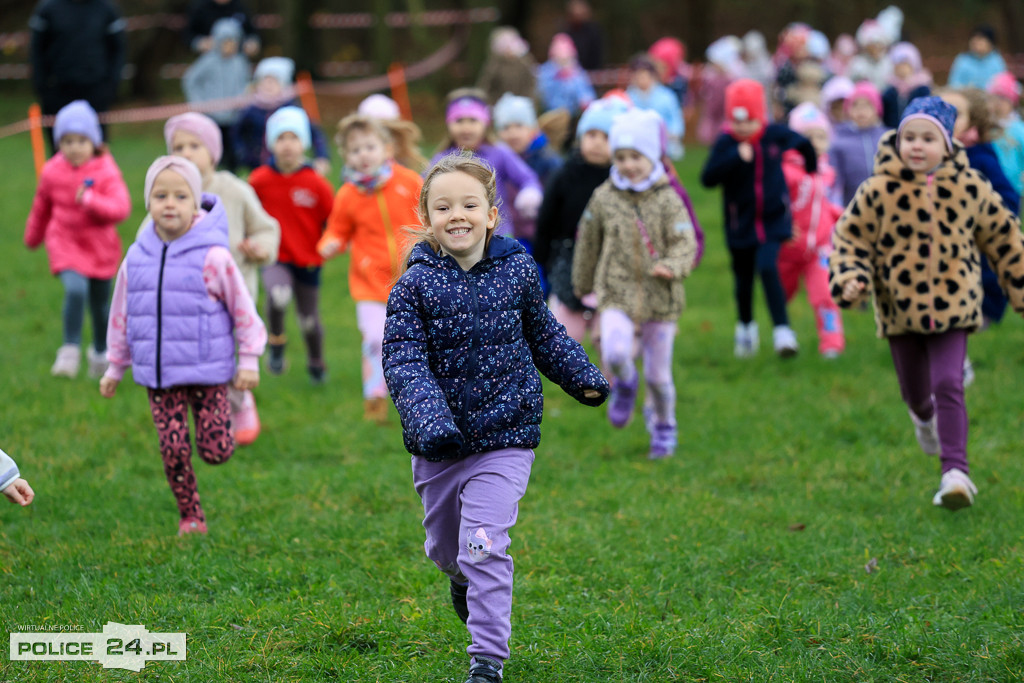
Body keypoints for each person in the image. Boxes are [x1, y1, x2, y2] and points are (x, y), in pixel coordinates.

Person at [382, 154, 609, 683]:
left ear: (490, 215)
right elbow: (404, 359)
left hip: (506, 438)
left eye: (468, 205)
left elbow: (544, 333)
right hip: (439, 446)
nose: (456, 215)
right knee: (448, 549)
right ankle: (459, 578)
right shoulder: (413, 287)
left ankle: (487, 660)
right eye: (443, 207)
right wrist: (429, 419)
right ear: (427, 217)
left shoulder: (517, 270)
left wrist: (580, 375)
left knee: (483, 546)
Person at [829, 96, 1024, 510]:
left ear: (947, 145)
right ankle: (922, 418)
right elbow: (849, 238)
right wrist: (850, 278)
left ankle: (955, 473)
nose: (917, 146)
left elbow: (1004, 236)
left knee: (949, 383)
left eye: (928, 139)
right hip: (900, 312)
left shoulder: (969, 187)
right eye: (910, 137)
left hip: (955, 306)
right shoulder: (878, 190)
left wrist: (1018, 286)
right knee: (917, 393)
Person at [100, 156, 267, 535]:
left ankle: (232, 419)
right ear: (148, 202)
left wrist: (249, 359)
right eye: (160, 196)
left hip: (208, 371)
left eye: (180, 196)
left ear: (196, 204)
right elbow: (122, 313)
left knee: (216, 451)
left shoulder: (214, 256)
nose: (170, 204)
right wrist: (115, 366)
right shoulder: (136, 258)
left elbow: (243, 309)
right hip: (160, 376)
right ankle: (190, 515)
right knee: (173, 449)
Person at [573, 108, 698, 458]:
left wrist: (672, 266)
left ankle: (664, 425)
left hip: (661, 300)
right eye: (621, 157)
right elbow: (587, 241)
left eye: (636, 157)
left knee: (659, 378)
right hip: (616, 292)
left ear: (653, 156)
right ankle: (626, 383)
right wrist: (582, 283)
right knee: (614, 352)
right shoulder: (604, 196)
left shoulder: (668, 198)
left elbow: (685, 241)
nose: (628, 165)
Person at [164, 112, 280, 444]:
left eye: (194, 146)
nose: (186, 153)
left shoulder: (234, 190)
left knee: (227, 354)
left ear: (213, 151)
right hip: (187, 297)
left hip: (234, 294)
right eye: (178, 147)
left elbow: (266, 227)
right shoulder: (169, 192)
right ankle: (211, 411)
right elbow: (149, 235)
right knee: (200, 358)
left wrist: (259, 248)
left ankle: (240, 402)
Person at [317, 114, 423, 423]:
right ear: (345, 156)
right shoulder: (348, 194)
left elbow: (429, 215)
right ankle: (375, 396)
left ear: (386, 149)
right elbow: (337, 229)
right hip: (369, 282)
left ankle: (419, 396)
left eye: (369, 147)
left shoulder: (408, 181)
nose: (363, 155)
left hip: (412, 278)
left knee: (418, 340)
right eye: (355, 150)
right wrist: (331, 243)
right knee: (375, 339)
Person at [700, 79, 817, 358]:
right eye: (736, 122)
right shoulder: (726, 143)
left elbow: (803, 143)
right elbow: (707, 178)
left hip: (773, 221)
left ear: (761, 118)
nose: (742, 128)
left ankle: (783, 332)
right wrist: (734, 157)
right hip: (739, 226)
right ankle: (745, 329)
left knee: (767, 267)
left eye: (749, 121)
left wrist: (812, 169)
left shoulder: (773, 136)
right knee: (743, 281)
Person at [25, 100, 131, 379]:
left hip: (100, 248)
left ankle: (101, 355)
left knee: (101, 306)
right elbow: (41, 207)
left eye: (81, 141)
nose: (74, 148)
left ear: (94, 141)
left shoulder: (106, 169)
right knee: (75, 290)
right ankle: (69, 351)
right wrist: (33, 236)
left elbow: (121, 208)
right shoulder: (52, 171)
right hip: (65, 243)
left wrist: (92, 201)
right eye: (67, 141)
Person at [249, 107, 335, 383]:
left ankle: (316, 362)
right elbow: (246, 214)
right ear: (271, 143)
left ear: (304, 143)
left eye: (294, 138)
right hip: (274, 256)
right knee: (278, 295)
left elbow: (334, 221)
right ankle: (276, 343)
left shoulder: (317, 183)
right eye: (281, 138)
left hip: (308, 260)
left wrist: (332, 242)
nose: (287, 145)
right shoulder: (259, 180)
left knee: (309, 320)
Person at [535, 97, 627, 342]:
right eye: (591, 135)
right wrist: (542, 259)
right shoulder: (565, 174)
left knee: (610, 337)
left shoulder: (621, 180)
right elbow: (546, 219)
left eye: (606, 137)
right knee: (564, 335)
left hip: (611, 261)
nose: (597, 142)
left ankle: (611, 364)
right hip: (568, 257)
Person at [779, 103, 846, 358]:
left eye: (821, 137)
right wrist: (783, 225)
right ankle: (782, 333)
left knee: (825, 294)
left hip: (820, 247)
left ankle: (831, 344)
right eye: (808, 137)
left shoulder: (827, 171)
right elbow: (775, 203)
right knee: (781, 293)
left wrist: (842, 218)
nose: (816, 143)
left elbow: (825, 204)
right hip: (788, 248)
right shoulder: (786, 171)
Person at [431, 88, 543, 239]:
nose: (466, 128)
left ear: (485, 123)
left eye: (473, 120)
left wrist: (530, 193)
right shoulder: (441, 159)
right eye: (459, 120)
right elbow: (424, 190)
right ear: (448, 124)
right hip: (457, 234)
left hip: (498, 234)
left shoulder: (499, 153)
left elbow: (527, 178)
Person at [28, 0, 126, 154]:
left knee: (96, 151)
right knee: (60, 152)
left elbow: (118, 49)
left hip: (96, 91)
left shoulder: (106, 8)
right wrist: (42, 86)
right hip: (57, 91)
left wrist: (111, 86)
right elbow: (36, 49)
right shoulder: (48, 8)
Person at [233, 57, 331, 176]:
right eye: (265, 81)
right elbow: (237, 133)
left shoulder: (293, 109)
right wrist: (243, 154)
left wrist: (322, 156)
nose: (268, 85)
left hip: (287, 165)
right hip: (256, 164)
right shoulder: (251, 109)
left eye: (273, 81)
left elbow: (315, 133)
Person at [181, 18, 251, 172]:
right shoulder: (208, 62)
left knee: (233, 150)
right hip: (212, 116)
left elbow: (245, 83)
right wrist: (199, 103)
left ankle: (232, 174)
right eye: (225, 42)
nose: (229, 46)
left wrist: (242, 99)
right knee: (213, 148)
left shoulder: (240, 62)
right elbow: (190, 81)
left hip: (234, 116)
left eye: (233, 42)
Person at [493, 93, 563, 247]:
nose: (513, 133)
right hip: (506, 234)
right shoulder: (496, 160)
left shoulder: (547, 160)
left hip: (539, 236)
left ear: (532, 129)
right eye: (505, 127)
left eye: (519, 126)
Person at [830, 82, 888, 206]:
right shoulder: (839, 141)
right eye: (855, 105)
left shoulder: (887, 138)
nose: (861, 111)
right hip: (852, 206)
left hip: (885, 205)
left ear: (877, 108)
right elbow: (834, 181)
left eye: (867, 105)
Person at [626, 54, 685, 159]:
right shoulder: (629, 96)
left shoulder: (666, 95)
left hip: (664, 139)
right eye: (637, 76)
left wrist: (673, 133)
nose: (640, 79)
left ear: (652, 76)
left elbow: (676, 118)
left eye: (643, 76)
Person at [536, 33, 596, 118]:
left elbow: (587, 97)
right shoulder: (545, 72)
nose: (564, 61)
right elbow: (543, 97)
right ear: (553, 55)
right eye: (560, 58)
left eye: (567, 58)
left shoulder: (577, 72)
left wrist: (572, 81)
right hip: (550, 115)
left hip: (573, 116)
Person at [476, 27, 537, 105]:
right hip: (497, 105)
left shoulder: (525, 62)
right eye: (504, 44)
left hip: (522, 104)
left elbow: (531, 85)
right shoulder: (493, 64)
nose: (508, 48)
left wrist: (529, 102)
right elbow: (485, 86)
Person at [987, 72, 1024, 197]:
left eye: (1003, 99)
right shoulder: (987, 126)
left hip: (1014, 186)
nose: (998, 103)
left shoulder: (1018, 129)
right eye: (994, 98)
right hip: (991, 185)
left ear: (1012, 102)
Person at [881, 42, 932, 129]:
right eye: (898, 64)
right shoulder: (890, 90)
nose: (901, 68)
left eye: (905, 64)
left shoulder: (922, 89)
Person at [184, 0, 260, 57]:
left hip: (236, 57)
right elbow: (187, 34)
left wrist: (252, 43)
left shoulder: (241, 6)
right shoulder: (199, 7)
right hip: (208, 57)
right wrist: (200, 43)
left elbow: (252, 33)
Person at [948, 25, 1007, 90]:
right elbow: (954, 84)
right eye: (973, 39)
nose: (975, 42)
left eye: (980, 39)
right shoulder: (963, 60)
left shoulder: (996, 61)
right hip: (965, 94)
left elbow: (1003, 86)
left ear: (991, 43)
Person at [561, 0, 604, 70]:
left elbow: (597, 56)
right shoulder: (566, 32)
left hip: (591, 70)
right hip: (571, 71)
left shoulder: (593, 31)